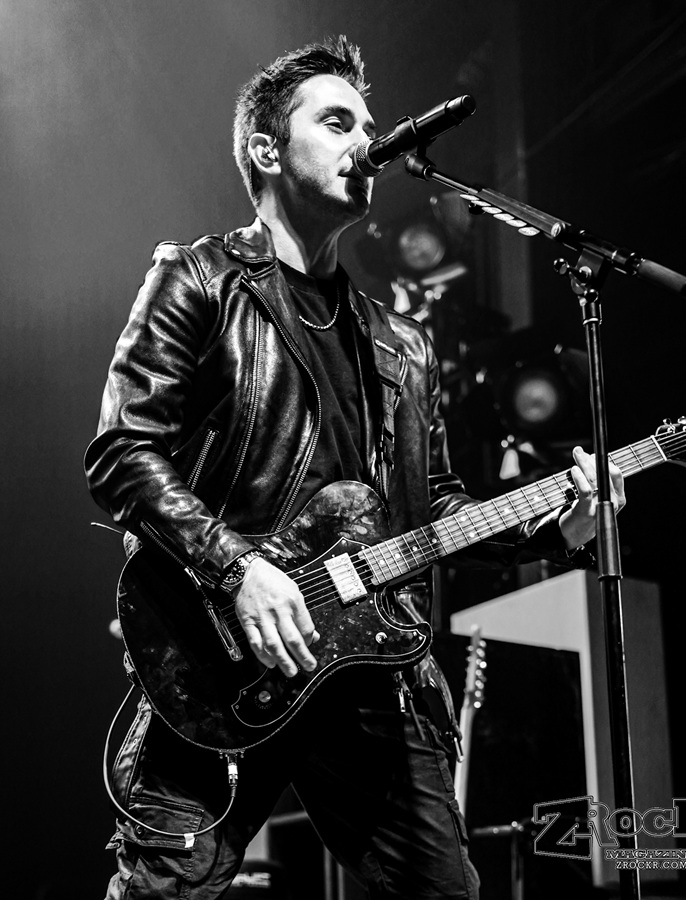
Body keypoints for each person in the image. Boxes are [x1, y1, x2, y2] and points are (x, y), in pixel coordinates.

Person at [85, 35, 625, 900]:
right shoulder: (201, 280)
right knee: (165, 891)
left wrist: (557, 527)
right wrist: (237, 570)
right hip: (221, 658)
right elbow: (122, 453)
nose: (366, 143)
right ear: (267, 151)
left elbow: (433, 506)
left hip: (373, 667)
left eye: (369, 127)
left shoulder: (402, 343)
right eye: (337, 123)